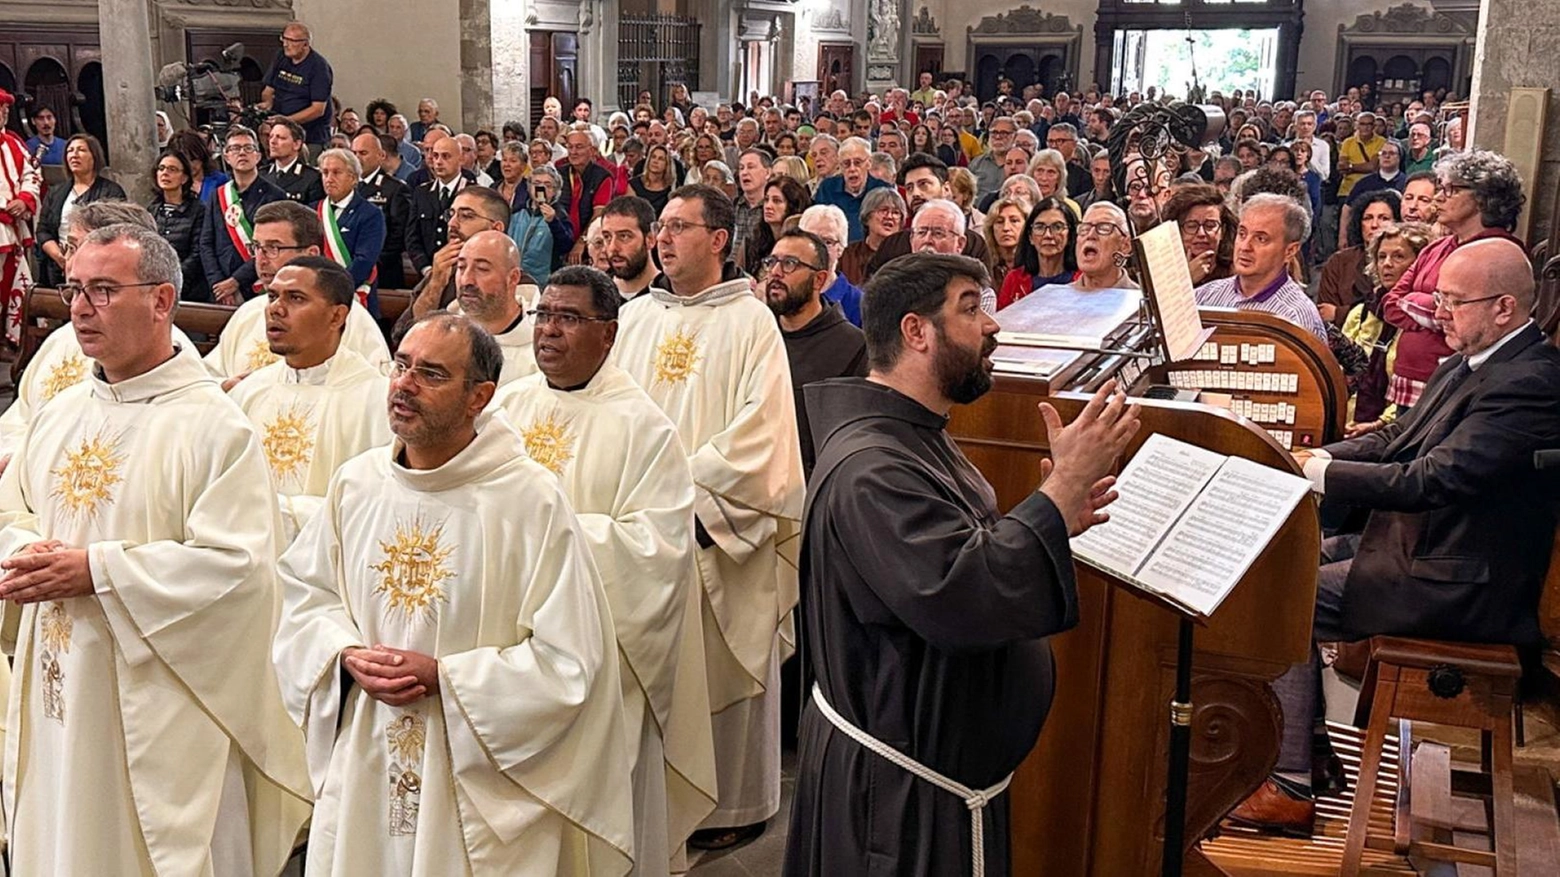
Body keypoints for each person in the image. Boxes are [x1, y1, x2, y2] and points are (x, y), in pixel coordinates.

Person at [783, 252, 1139, 876]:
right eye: (972, 309)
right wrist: (1056, 496)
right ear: (917, 331)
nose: (993, 326)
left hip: (931, 780)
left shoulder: (912, 433)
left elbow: (959, 548)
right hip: (896, 805)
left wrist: (1058, 517)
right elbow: (960, 593)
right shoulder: (873, 469)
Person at [272, 312, 635, 875]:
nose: (405, 385)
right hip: (367, 750)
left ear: (479, 397)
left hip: (477, 778)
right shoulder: (357, 483)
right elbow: (305, 597)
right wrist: (342, 656)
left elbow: (571, 661)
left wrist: (448, 678)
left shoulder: (530, 501)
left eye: (432, 375)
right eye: (400, 366)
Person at [0, 221, 311, 874]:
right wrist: (24, 552)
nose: (80, 308)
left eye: (105, 290)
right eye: (75, 288)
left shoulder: (213, 427)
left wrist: (99, 570)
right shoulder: (60, 413)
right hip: (60, 688)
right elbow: (13, 512)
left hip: (157, 711)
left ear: (163, 300)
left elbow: (242, 571)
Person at [1236, 239, 1560, 834]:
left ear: (1506, 308)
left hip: (1462, 580)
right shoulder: (1472, 361)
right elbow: (1393, 440)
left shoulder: (1530, 383)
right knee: (1272, 560)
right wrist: (1303, 459)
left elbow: (1434, 478)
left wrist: (1318, 474)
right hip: (1421, 548)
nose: (1439, 312)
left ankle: (1288, 785)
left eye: (1455, 302)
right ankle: (1309, 753)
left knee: (1281, 598)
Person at [492, 265, 720, 877]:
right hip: (511, 653)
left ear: (609, 333)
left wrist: (546, 541)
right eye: (543, 315)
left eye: (569, 318)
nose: (549, 331)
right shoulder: (506, 407)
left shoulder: (644, 427)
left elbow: (657, 552)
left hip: (600, 658)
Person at [612, 185, 805, 850]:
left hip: (711, 529)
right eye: (659, 227)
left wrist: (684, 500)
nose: (661, 239)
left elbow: (765, 431)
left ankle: (733, 808)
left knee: (720, 664)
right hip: (638, 528)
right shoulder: (636, 318)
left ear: (720, 239)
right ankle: (649, 806)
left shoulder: (751, 322)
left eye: (678, 227)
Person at [228, 256, 390, 542]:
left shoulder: (375, 401)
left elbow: (375, 506)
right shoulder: (250, 391)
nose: (275, 309)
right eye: (272, 296)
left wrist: (275, 514)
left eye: (296, 298)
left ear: (337, 316)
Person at [1380, 151, 1525, 416]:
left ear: (1483, 196)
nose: (1439, 197)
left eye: (1451, 189)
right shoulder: (1437, 248)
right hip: (1410, 379)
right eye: (1441, 188)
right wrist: (1428, 308)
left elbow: (1462, 318)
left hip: (1457, 381)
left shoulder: (1498, 252)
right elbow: (1391, 302)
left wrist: (1420, 303)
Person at [206, 200, 391, 382]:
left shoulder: (347, 318)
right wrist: (228, 388)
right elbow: (210, 375)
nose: (260, 260)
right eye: (257, 247)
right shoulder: (248, 313)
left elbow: (373, 390)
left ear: (311, 254)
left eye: (274, 248)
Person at [765, 229, 868, 474]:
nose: (776, 273)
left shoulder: (853, 347)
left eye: (790, 264)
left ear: (819, 280)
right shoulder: (757, 333)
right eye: (771, 262)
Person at [1339, 221, 1434, 437]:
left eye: (1398, 257)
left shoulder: (1424, 320)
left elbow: (1420, 390)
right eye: (1382, 257)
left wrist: (1378, 424)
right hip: (1347, 425)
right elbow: (1338, 372)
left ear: (1418, 264)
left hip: (1396, 430)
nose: (1387, 264)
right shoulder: (1362, 313)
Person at [1195, 194, 1328, 341]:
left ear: (1289, 251)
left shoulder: (1297, 317)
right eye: (1242, 234)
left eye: (1261, 239)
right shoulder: (1204, 297)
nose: (1245, 247)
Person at [198, 126, 286, 305]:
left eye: (248, 148)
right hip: (220, 288)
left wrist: (236, 281)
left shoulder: (274, 195)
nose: (242, 153)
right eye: (235, 149)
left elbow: (273, 247)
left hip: (257, 284)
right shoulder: (218, 195)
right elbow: (206, 243)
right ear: (226, 157)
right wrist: (218, 284)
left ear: (258, 155)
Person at [446, 229, 539, 385]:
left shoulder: (539, 353)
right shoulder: (443, 334)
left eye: (482, 269)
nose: (466, 280)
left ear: (513, 278)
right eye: (461, 267)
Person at [35, 134, 127, 289]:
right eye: (70, 151)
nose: (74, 155)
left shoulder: (111, 191)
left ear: (94, 157)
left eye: (81, 150)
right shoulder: (56, 191)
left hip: (98, 267)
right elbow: (43, 231)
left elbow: (116, 232)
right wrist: (59, 257)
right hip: (58, 268)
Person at [1318, 189, 1401, 326]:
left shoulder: (1405, 261)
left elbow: (1394, 310)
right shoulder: (1339, 262)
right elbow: (1325, 314)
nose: (1374, 225)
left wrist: (1340, 313)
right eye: (1367, 218)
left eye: (1384, 218)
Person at [148, 148, 210, 301]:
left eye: (172, 169)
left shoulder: (198, 210)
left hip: (188, 287)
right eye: (161, 168)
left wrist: (174, 277)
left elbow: (198, 252)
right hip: (154, 284)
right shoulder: (152, 210)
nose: (165, 173)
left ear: (184, 178)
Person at [259, 21, 333, 149]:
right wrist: (267, 104)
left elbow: (317, 109)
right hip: (282, 133)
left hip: (310, 137)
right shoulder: (281, 57)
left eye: (291, 40)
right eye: (284, 38)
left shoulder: (319, 67)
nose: (286, 44)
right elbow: (268, 90)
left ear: (305, 44)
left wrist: (286, 121)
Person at [354, 131, 412, 289]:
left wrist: (371, 262)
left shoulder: (395, 188)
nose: (357, 158)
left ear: (381, 155)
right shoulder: (348, 187)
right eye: (354, 153)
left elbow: (398, 234)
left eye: (363, 153)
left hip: (382, 271)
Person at [405, 132, 469, 276]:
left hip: (461, 272)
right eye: (435, 156)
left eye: (446, 156)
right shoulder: (421, 193)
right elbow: (412, 237)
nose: (438, 162)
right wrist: (425, 268)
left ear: (461, 159)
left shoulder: (472, 193)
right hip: (428, 272)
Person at [1000, 196, 1079, 309]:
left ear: (1070, 236)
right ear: (1030, 237)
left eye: (1057, 227)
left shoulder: (1083, 280)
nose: (1048, 235)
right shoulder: (1014, 279)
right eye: (1040, 227)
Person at [507, 165, 574, 291]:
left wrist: (553, 222)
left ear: (555, 191)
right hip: (513, 277)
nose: (541, 188)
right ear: (529, 187)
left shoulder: (559, 214)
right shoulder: (517, 212)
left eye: (547, 185)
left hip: (543, 282)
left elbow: (566, 246)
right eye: (537, 183)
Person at [813, 137, 891, 242]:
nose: (852, 169)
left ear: (869, 163)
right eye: (846, 164)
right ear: (840, 166)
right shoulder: (827, 188)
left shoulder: (883, 190)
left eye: (858, 162)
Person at [797, 204, 863, 328]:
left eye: (827, 242)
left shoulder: (859, 303)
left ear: (841, 248)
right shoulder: (788, 293)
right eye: (811, 239)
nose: (818, 248)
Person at [559, 128, 614, 266]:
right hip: (559, 239)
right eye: (570, 147)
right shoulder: (559, 172)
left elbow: (598, 215)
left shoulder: (602, 177)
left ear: (591, 150)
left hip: (585, 245)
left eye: (579, 147)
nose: (573, 152)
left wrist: (581, 242)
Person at [743, 176, 811, 277]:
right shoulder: (755, 241)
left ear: (791, 206)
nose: (768, 206)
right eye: (766, 200)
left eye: (777, 201)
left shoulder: (802, 245)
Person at [838, 186, 903, 288]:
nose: (889, 216)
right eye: (883, 210)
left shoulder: (905, 257)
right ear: (867, 217)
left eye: (896, 212)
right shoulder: (847, 256)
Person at [600, 194, 658, 301]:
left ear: (650, 239)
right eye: (607, 237)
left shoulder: (671, 293)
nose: (613, 247)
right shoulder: (596, 292)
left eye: (624, 236)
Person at [1070, 201, 1138, 292]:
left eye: (1104, 228)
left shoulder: (1141, 301)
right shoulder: (1057, 299)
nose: (1090, 235)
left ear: (1125, 246)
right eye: (1084, 228)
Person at [263, 119, 326, 203]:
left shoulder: (312, 178)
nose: (272, 142)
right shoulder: (262, 174)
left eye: (280, 138)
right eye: (271, 137)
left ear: (296, 144)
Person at [982, 197, 1028, 291]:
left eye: (1014, 221)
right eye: (999, 222)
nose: (1006, 228)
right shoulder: (985, 268)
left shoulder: (1036, 269)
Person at [631, 142, 678, 215]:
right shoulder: (633, 185)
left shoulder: (672, 187)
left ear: (667, 164)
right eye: (653, 157)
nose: (655, 161)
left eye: (661, 159)